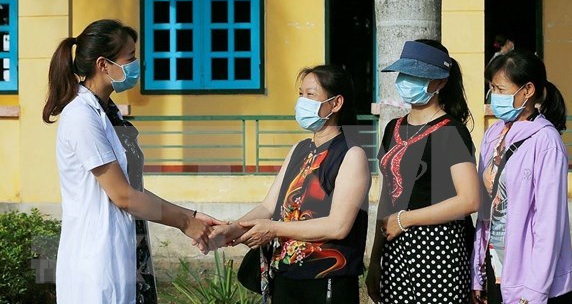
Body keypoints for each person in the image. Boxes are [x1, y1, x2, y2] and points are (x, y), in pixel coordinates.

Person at [43, 19, 222, 304]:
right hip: (98, 258)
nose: (137, 65)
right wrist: (184, 222)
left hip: (129, 247)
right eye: (131, 57)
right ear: (103, 64)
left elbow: (131, 187)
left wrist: (192, 215)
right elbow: (123, 196)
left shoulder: (109, 111)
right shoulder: (81, 116)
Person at [209, 65, 371, 304]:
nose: (302, 101)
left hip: (326, 279)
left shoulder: (351, 154)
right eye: (301, 94)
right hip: (285, 274)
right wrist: (232, 229)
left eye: (311, 94)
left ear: (336, 104)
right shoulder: (300, 150)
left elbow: (338, 226)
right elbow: (268, 207)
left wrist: (273, 229)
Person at [366, 39, 480, 304]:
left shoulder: (450, 132)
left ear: (440, 82)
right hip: (395, 249)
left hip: (438, 250)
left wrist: (406, 219)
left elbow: (470, 200)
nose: (408, 80)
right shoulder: (392, 128)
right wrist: (375, 260)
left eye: (417, 75)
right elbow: (388, 195)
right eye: (405, 73)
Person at [471, 49, 572, 304]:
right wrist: (479, 271)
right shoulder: (494, 134)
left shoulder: (546, 141)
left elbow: (548, 223)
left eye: (500, 89)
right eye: (491, 89)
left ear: (527, 91)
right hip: (498, 271)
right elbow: (486, 214)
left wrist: (535, 292)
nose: (493, 97)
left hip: (533, 285)